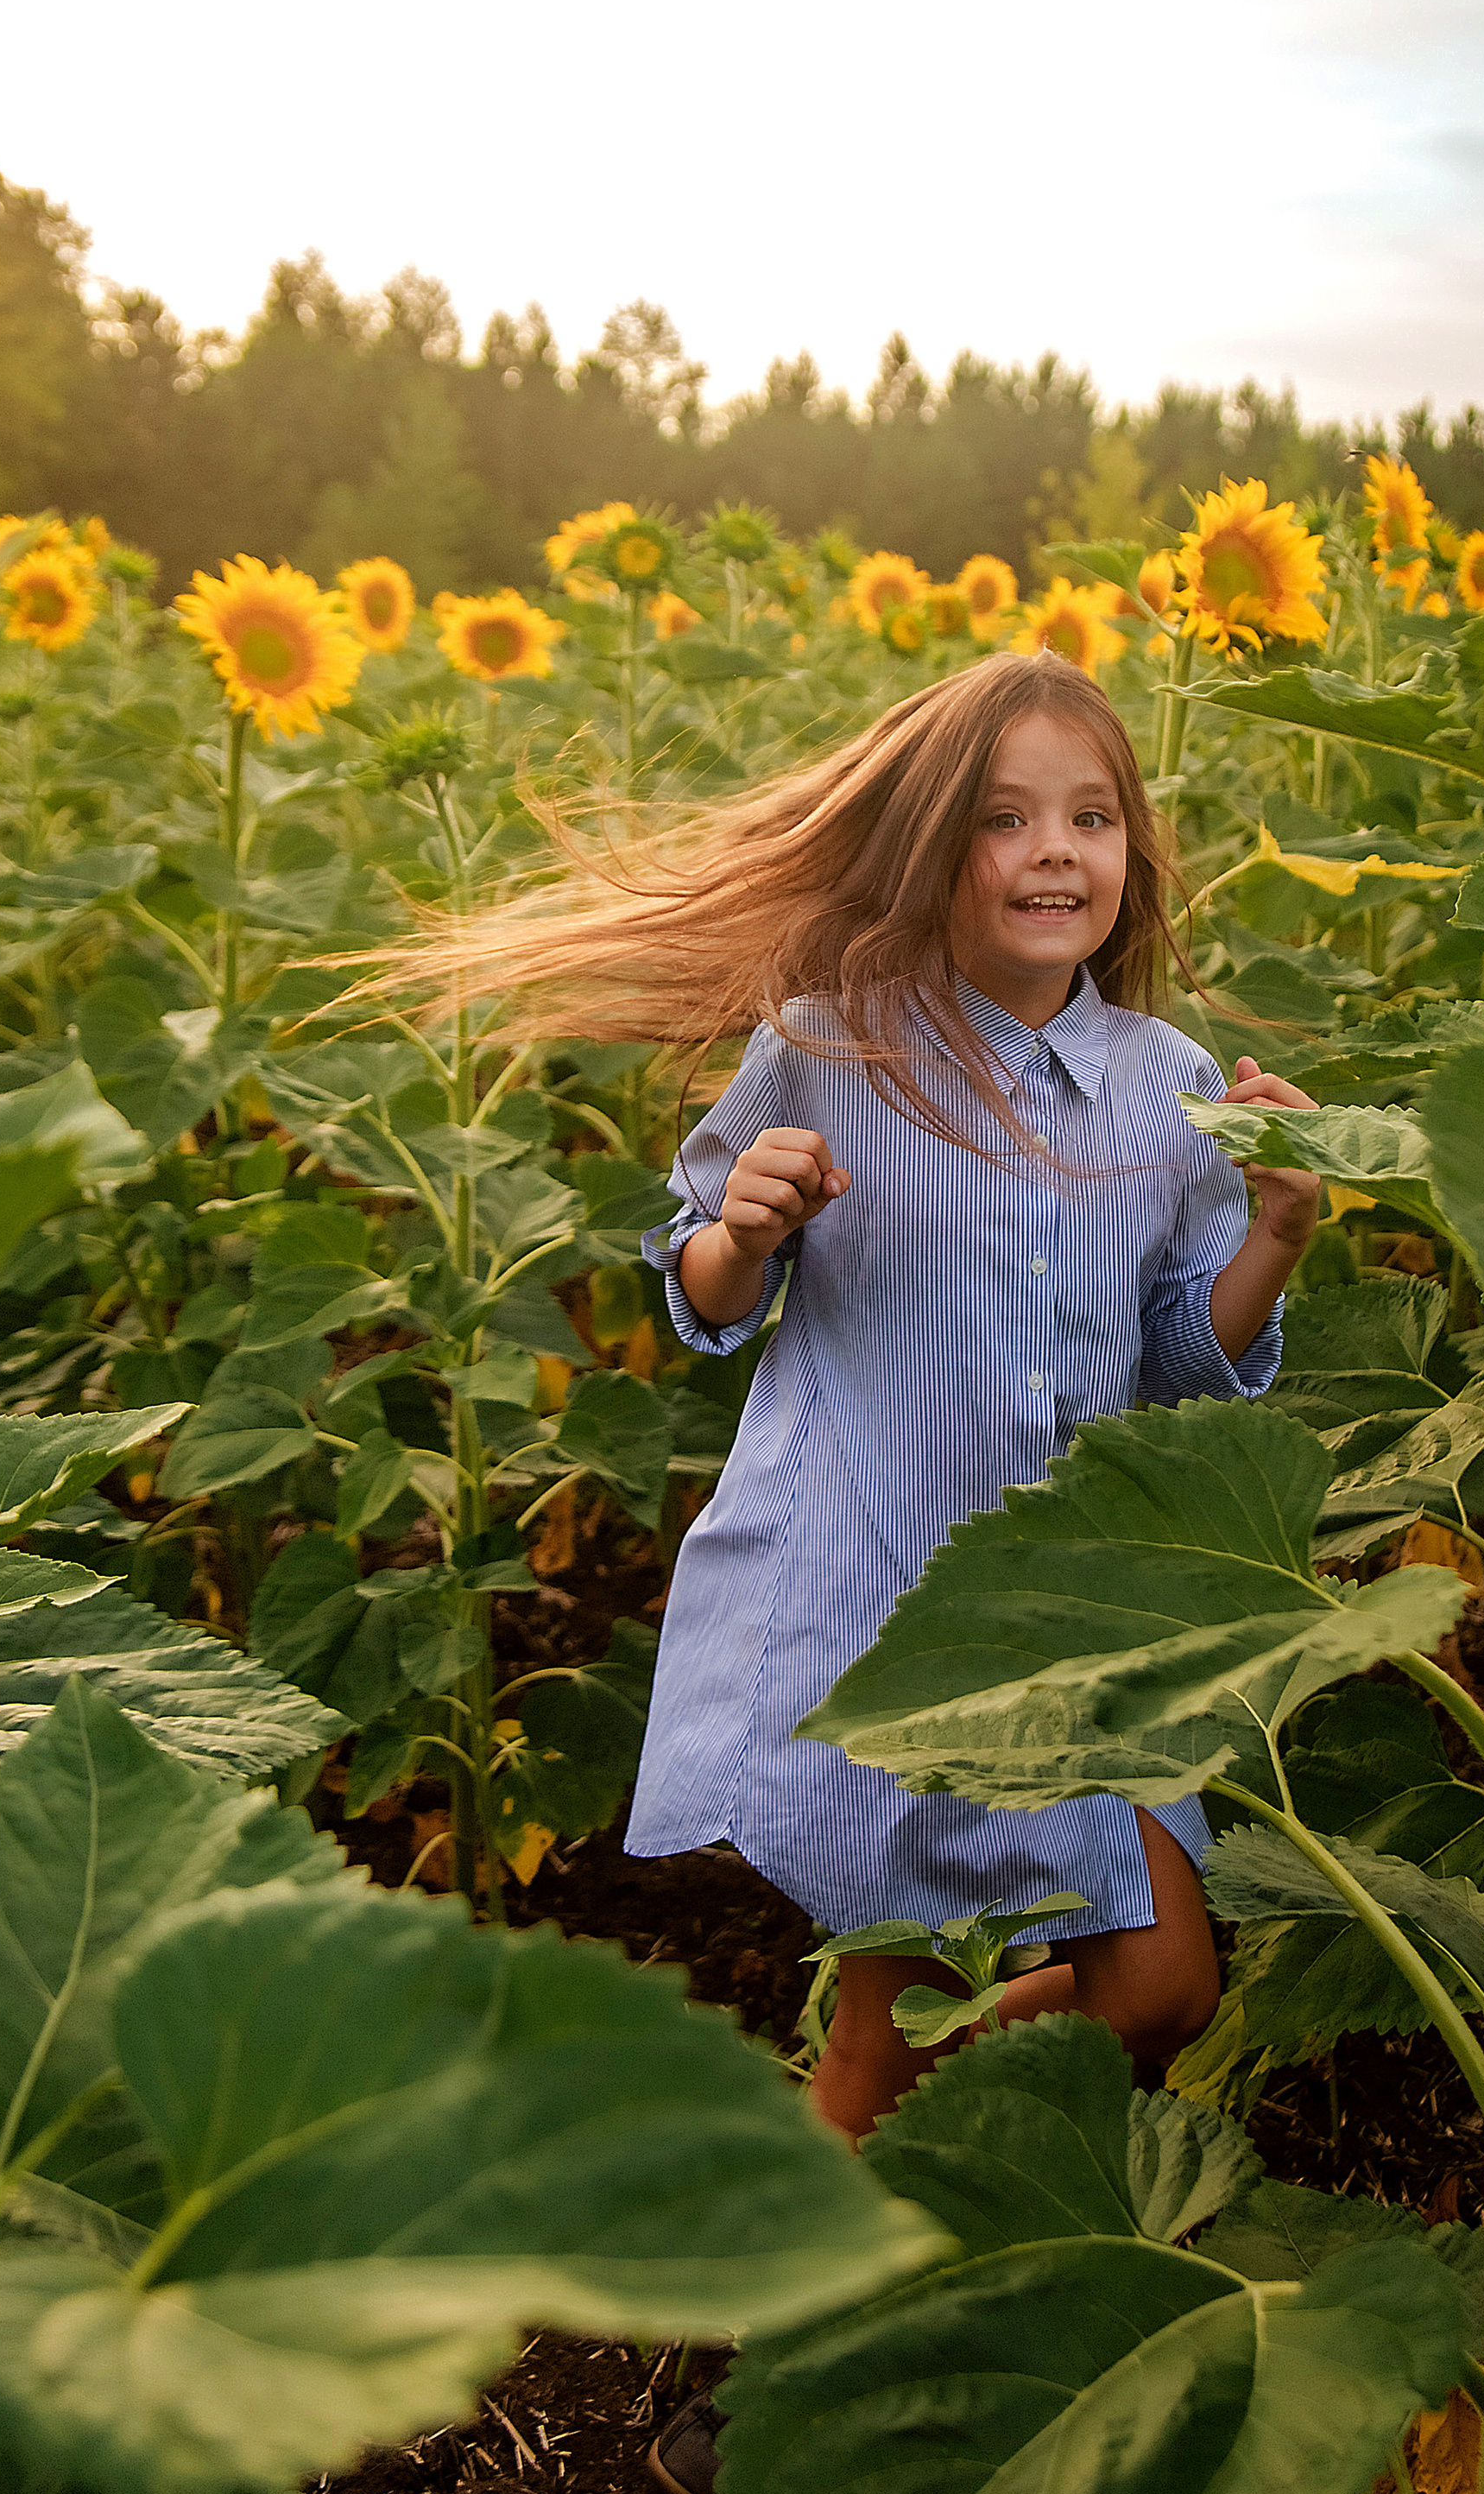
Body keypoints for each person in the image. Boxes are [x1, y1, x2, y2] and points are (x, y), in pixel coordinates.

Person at [391, 649, 1321, 2157]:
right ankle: (798, 2306)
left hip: (1080, 1610)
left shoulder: (1171, 1085)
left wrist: (1276, 1232)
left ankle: (880, 2160)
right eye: (1006, 818)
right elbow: (704, 1295)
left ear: (1131, 855)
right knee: (890, 2021)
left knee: (1160, 1993)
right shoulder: (834, 1047)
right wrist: (741, 1230)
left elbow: (1179, 1359)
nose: (1053, 852)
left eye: (1091, 817)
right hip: (894, 1606)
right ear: (936, 844)